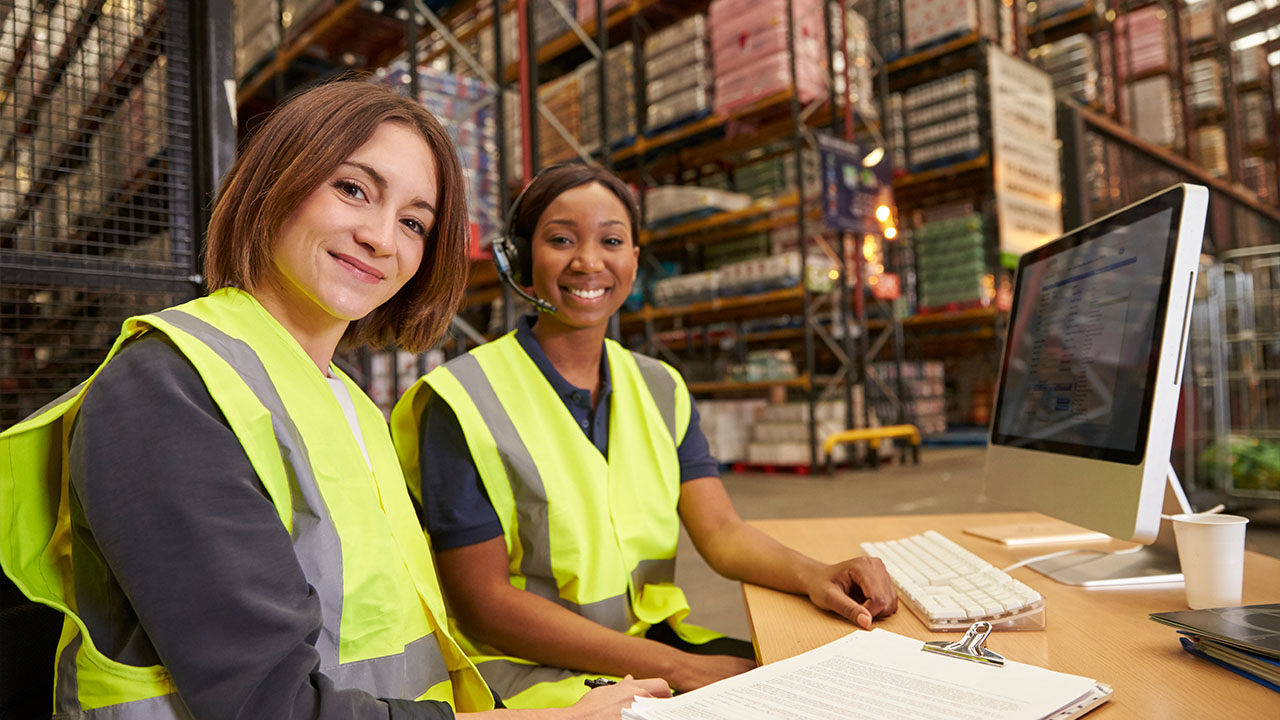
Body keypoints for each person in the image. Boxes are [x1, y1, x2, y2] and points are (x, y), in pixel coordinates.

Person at [0, 82, 666, 720]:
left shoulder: (345, 401)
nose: (382, 236)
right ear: (274, 181)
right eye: (353, 189)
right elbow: (271, 706)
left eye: (413, 222)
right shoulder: (166, 390)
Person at [389, 164, 898, 709]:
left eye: (611, 240)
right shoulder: (460, 401)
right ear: (521, 260)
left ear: (634, 259)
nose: (588, 261)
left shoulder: (659, 386)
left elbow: (721, 531)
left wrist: (815, 574)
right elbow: (484, 606)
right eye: (561, 239)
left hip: (641, 651)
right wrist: (681, 668)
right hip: (526, 679)